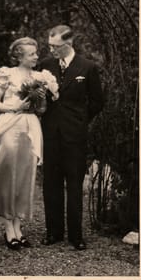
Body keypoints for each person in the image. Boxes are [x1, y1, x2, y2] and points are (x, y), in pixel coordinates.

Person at [0, 37, 58, 250]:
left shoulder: (40, 77)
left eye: (36, 53)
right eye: (32, 54)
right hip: (11, 125)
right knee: (8, 175)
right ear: (19, 56)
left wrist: (39, 103)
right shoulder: (7, 73)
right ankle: (8, 229)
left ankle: (18, 227)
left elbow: (42, 110)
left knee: (24, 176)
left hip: (31, 127)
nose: (36, 56)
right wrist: (15, 107)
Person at [40, 25, 104, 250]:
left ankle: (76, 235)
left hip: (75, 135)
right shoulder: (45, 66)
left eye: (56, 46)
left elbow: (98, 100)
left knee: (74, 185)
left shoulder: (87, 67)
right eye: (50, 45)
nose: (52, 50)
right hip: (50, 133)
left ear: (69, 43)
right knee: (51, 184)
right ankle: (53, 232)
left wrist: (80, 119)